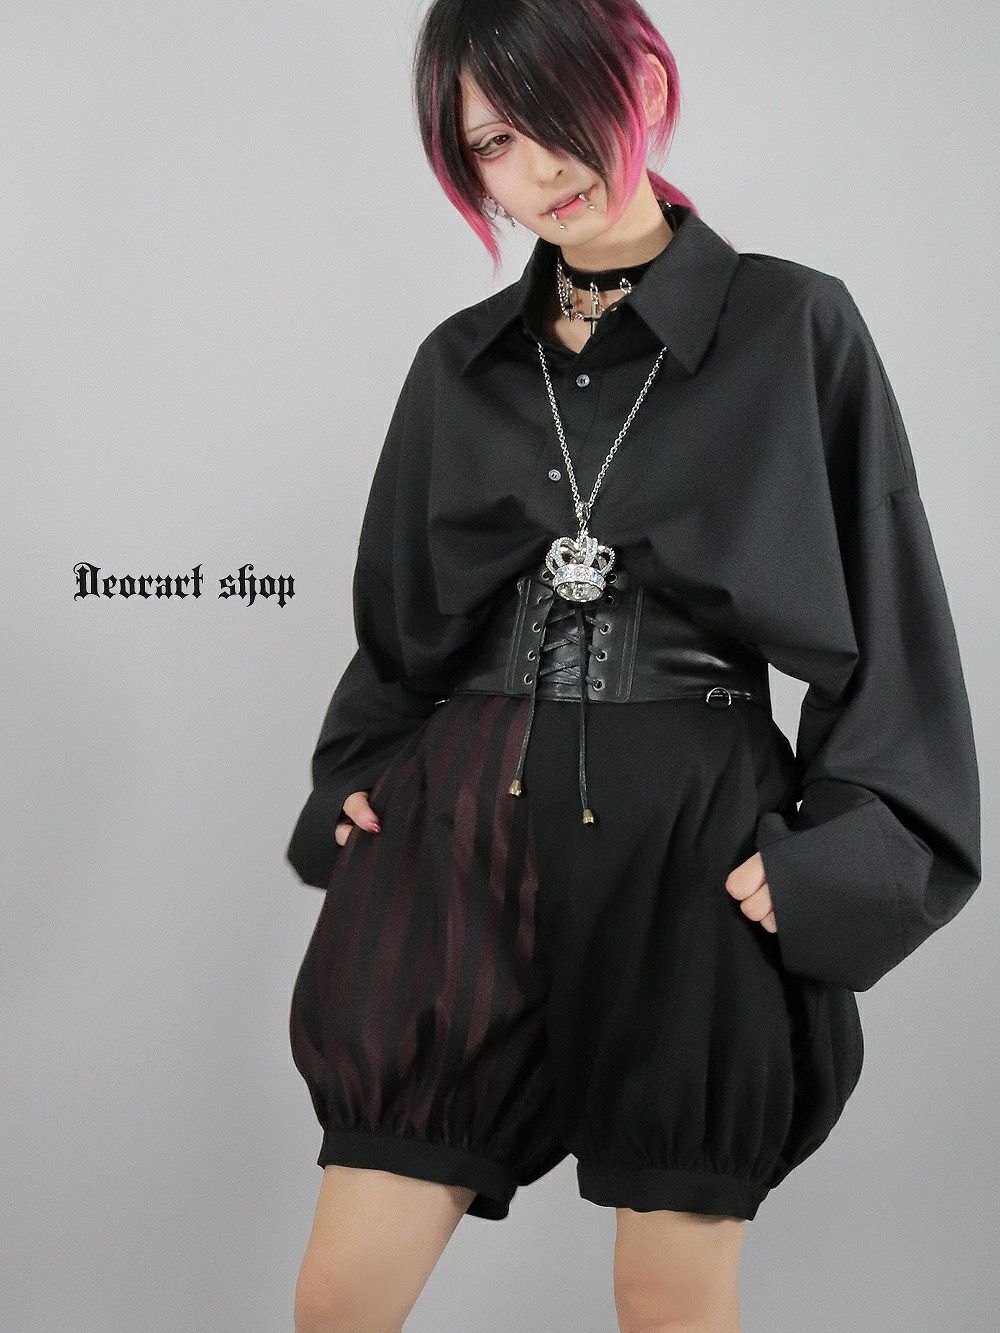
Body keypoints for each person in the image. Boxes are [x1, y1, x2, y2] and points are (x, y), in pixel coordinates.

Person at [286, 2, 982, 1329]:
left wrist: (847, 851)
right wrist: (362, 778)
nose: (540, 165)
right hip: (461, 836)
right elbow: (398, 625)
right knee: (341, 1295)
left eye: (558, 114)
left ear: (644, 81)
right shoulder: (458, 366)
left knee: (668, 1300)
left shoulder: (793, 323)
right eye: (493, 143)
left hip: (692, 837)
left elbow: (891, 619)